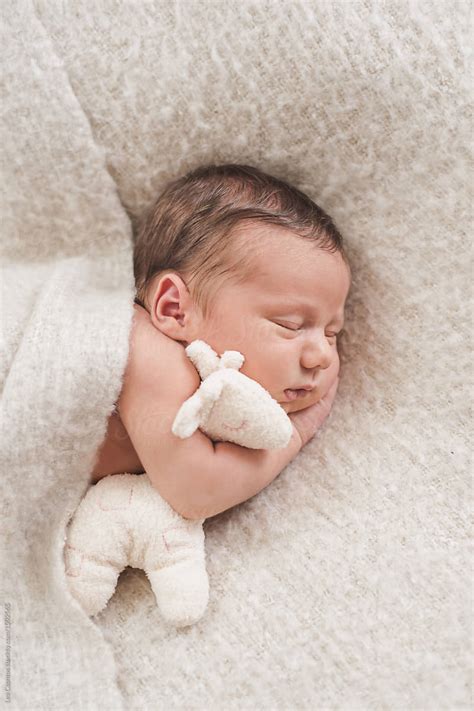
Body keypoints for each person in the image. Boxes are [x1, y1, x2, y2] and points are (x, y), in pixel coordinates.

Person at [91, 163, 351, 521]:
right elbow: (196, 492)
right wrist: (296, 434)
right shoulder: (148, 351)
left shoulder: (215, 409)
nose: (321, 356)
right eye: (289, 324)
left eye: (331, 333)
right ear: (175, 309)